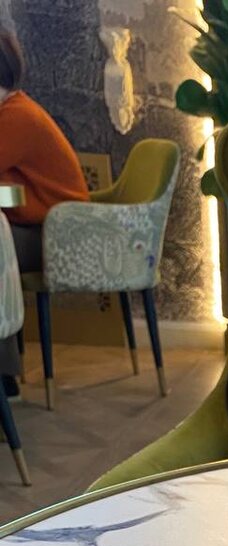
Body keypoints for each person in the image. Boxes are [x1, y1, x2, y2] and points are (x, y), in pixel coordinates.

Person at [0, 29, 88, 395]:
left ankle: (3, 376)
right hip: (36, 225)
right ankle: (5, 376)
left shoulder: (16, 118)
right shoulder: (11, 111)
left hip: (57, 235)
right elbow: (11, 195)